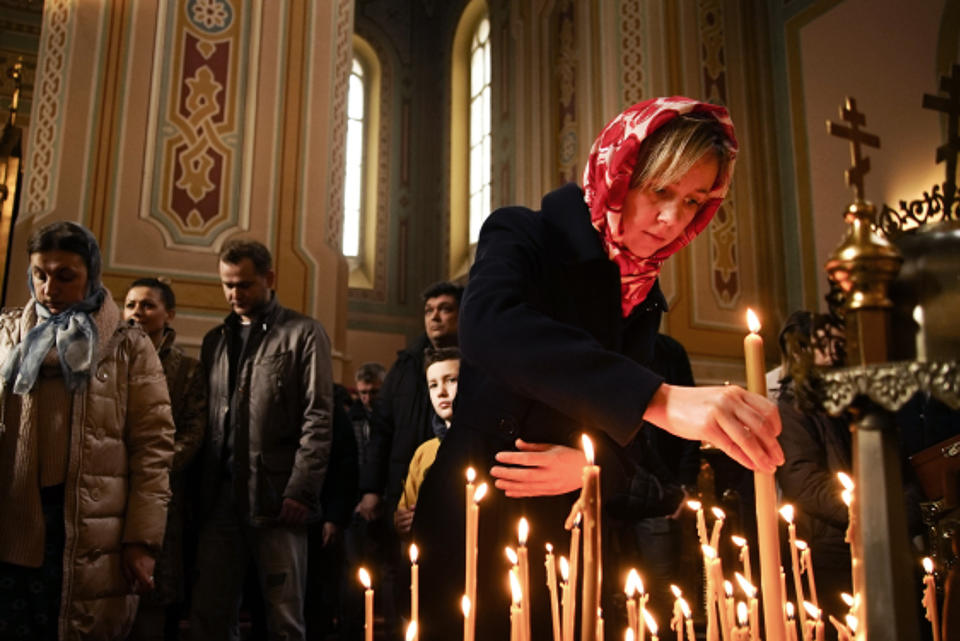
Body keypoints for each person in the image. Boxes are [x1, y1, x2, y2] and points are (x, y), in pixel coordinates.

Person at [413, 97, 783, 641]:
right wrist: (661, 399)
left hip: (567, 525)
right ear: (618, 172)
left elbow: (619, 441)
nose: (674, 219)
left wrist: (590, 469)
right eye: (661, 191)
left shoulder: (643, 292)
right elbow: (491, 327)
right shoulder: (524, 234)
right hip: (476, 512)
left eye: (694, 201)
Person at [0, 221, 175, 640]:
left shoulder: (126, 344)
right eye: (40, 274)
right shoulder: (8, 334)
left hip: (87, 521)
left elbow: (152, 449)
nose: (48, 288)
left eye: (65, 276)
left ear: (90, 275)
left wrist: (141, 541)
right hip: (14, 515)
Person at [188, 239, 333, 641]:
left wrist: (302, 491)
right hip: (220, 498)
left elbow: (318, 418)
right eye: (227, 285)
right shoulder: (215, 341)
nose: (234, 294)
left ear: (269, 279)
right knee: (209, 614)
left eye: (244, 285)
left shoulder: (303, 333)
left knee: (285, 617)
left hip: (277, 496)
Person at [124, 278, 207, 641]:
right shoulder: (108, 359)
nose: (136, 313)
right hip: (111, 486)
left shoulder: (188, 369)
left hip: (162, 493)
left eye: (146, 305)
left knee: (152, 599)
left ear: (168, 314)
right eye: (130, 305)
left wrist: (152, 469)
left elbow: (193, 431)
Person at [395, 347, 460, 535]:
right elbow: (406, 506)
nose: (441, 392)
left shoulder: (482, 447)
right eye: (433, 384)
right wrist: (401, 520)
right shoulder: (424, 452)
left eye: (451, 380)